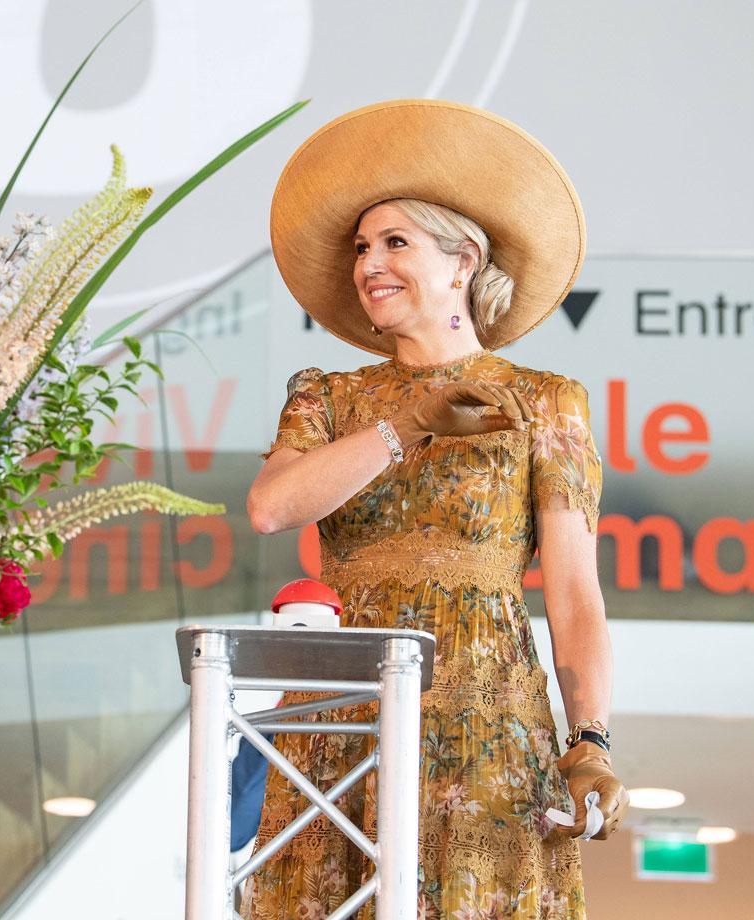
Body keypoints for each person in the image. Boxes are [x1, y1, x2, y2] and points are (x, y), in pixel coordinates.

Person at [241, 99, 629, 919]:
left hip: (489, 713)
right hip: (342, 708)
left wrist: (589, 739)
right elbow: (273, 506)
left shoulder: (546, 402)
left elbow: (573, 595)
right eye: (360, 248)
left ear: (463, 261)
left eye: (394, 242)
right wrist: (407, 424)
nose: (368, 264)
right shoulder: (328, 396)